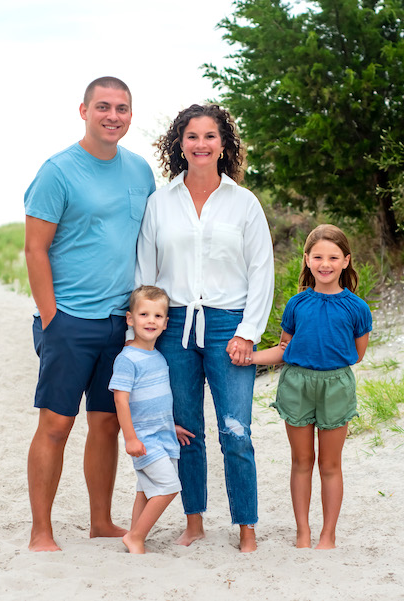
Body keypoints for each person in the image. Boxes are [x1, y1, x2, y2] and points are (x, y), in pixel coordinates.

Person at [23, 76, 156, 552]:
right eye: (103, 106)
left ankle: (101, 520)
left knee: (106, 424)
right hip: (69, 320)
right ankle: (42, 531)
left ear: (130, 115)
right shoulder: (58, 171)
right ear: (83, 111)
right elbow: (35, 250)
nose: (112, 116)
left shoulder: (141, 171)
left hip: (120, 323)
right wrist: (52, 318)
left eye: (121, 108)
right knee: (56, 425)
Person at [136, 103, 274, 553]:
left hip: (228, 325)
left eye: (210, 136)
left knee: (236, 430)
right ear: (180, 144)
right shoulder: (160, 202)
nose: (200, 144)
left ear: (223, 144)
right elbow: (146, 275)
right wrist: (146, 336)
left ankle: (246, 527)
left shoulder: (244, 203)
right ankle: (194, 522)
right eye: (191, 136)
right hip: (173, 326)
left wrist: (248, 332)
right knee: (186, 427)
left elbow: (261, 272)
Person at [251, 224, 372, 550]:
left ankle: (327, 535)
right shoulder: (296, 304)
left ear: (346, 261)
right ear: (307, 259)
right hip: (297, 384)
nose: (325, 263)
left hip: (336, 386)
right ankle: (302, 531)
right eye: (317, 256)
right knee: (301, 461)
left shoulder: (357, 308)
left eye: (333, 257)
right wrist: (249, 357)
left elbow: (357, 355)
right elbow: (284, 349)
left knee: (330, 464)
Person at [109, 286, 186, 554]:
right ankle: (137, 536)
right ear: (130, 319)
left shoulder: (159, 357)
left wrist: (170, 424)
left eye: (157, 316)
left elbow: (157, 398)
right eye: (143, 314)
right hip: (143, 437)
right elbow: (121, 400)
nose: (150, 320)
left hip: (163, 433)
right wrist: (130, 437)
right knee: (168, 486)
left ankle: (134, 534)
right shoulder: (127, 358)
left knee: (146, 488)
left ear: (166, 323)